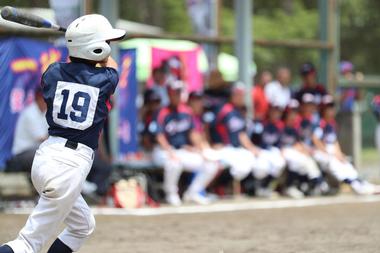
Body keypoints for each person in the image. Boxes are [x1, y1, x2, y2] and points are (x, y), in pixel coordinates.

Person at [0, 14, 126, 253]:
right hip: (68, 167)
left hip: (45, 159)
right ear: (97, 48)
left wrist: (83, 41)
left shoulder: (53, 72)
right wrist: (96, 46)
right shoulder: (105, 79)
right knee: (27, 244)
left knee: (82, 226)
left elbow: (77, 65)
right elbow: (110, 64)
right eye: (106, 43)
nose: (108, 47)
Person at [152, 80, 218, 206]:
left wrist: (201, 149)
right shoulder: (162, 112)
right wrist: (169, 152)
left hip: (181, 150)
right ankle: (171, 194)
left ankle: (193, 193)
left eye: (179, 93)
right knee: (174, 163)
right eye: (175, 93)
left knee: (211, 163)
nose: (177, 95)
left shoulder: (186, 111)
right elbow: (158, 136)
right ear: (169, 94)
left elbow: (193, 133)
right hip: (162, 151)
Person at [210, 83, 274, 196]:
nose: (240, 97)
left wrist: (252, 148)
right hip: (225, 148)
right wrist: (212, 143)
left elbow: (241, 135)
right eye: (238, 94)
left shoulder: (238, 112)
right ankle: (220, 187)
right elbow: (208, 126)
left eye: (242, 95)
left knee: (260, 162)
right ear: (232, 95)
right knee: (240, 166)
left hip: (237, 149)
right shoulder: (223, 109)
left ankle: (252, 188)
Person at [312, 95, 380, 195]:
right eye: (328, 108)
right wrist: (329, 153)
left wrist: (339, 153)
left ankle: (359, 182)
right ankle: (356, 185)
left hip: (330, 152)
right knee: (334, 163)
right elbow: (315, 139)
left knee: (345, 162)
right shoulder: (320, 123)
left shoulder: (332, 124)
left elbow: (334, 141)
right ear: (323, 110)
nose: (331, 110)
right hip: (321, 152)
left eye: (332, 107)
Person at [280, 99, 323, 198]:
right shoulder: (281, 125)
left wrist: (304, 149)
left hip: (293, 150)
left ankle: (312, 184)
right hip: (282, 152)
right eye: (291, 112)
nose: (293, 115)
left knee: (306, 159)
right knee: (297, 159)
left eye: (295, 112)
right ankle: (289, 186)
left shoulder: (295, 126)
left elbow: (297, 142)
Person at [6, 88, 48, 173]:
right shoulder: (30, 112)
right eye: (45, 99)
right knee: (46, 154)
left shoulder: (46, 112)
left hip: (35, 150)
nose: (47, 102)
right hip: (21, 154)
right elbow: (42, 138)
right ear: (38, 99)